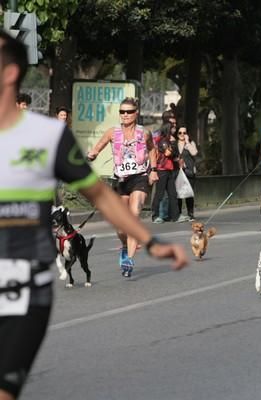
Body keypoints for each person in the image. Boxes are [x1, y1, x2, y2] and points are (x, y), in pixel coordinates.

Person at [0, 30, 188, 400]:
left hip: (20, 289)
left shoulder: (48, 136)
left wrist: (150, 241)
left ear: (9, 73)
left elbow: (101, 195)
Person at [87, 97, 160, 277]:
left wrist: (153, 170)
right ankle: (125, 245)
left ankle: (129, 258)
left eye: (128, 112)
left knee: (133, 216)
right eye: (122, 112)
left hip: (140, 178)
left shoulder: (145, 133)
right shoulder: (113, 132)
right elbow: (99, 146)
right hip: (121, 180)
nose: (125, 115)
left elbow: (152, 150)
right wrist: (93, 154)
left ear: (136, 113)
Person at [151, 123, 183, 223]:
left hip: (169, 169)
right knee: (159, 194)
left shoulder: (169, 140)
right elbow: (167, 153)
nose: (174, 129)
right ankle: (155, 216)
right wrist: (173, 144)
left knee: (173, 193)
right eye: (172, 128)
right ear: (168, 129)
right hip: (162, 170)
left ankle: (176, 216)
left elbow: (175, 155)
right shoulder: (162, 140)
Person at [176, 125, 198, 221]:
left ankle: (190, 213)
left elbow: (194, 153)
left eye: (184, 133)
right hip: (178, 171)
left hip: (189, 171)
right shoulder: (175, 143)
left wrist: (187, 142)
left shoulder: (190, 143)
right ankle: (179, 213)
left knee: (189, 193)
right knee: (178, 193)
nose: (182, 135)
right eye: (180, 133)